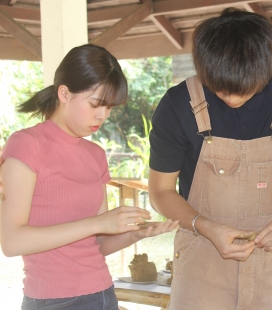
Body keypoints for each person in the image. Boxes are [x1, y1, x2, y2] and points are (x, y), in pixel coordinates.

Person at [148, 8, 272, 310]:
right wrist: (205, 226)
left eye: (244, 88)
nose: (231, 98)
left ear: (266, 68)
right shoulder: (177, 105)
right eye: (219, 87)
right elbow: (160, 191)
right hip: (202, 259)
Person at [0, 44, 179, 310]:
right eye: (95, 104)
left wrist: (137, 234)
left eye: (109, 108)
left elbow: (97, 244)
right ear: (64, 93)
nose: (102, 116)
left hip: (103, 293)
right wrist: (97, 223)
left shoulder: (95, 154)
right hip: (53, 301)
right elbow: (12, 242)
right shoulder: (26, 145)